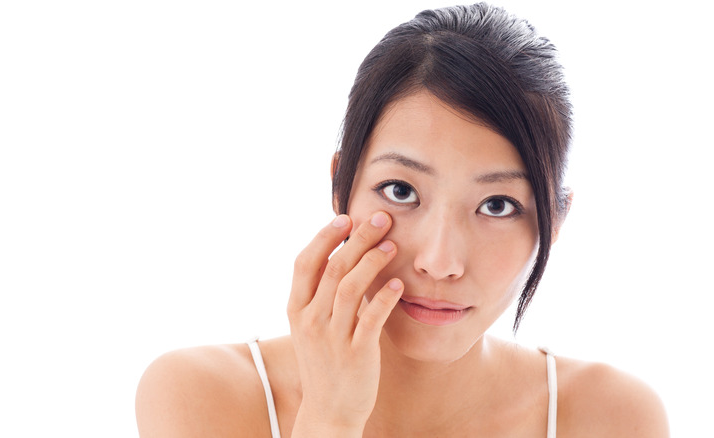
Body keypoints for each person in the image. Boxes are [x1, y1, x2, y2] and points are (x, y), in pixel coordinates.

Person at [135, 3, 669, 437]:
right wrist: (330, 419)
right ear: (340, 186)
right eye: (401, 191)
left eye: (498, 205)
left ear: (555, 216)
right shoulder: (200, 397)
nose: (440, 262)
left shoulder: (611, 417)